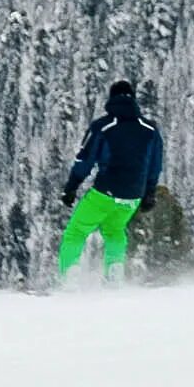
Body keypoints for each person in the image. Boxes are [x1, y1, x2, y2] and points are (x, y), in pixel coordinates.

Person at [57, 79, 165, 286]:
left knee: (76, 232)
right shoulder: (150, 130)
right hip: (133, 195)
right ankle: (114, 274)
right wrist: (149, 192)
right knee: (115, 231)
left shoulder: (103, 126)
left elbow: (84, 159)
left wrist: (71, 187)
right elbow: (155, 164)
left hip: (105, 191)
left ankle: (69, 278)